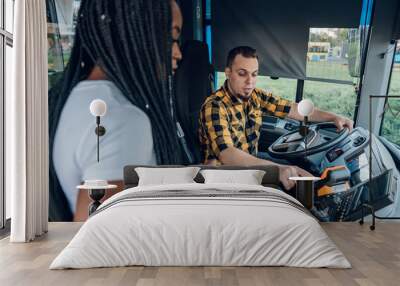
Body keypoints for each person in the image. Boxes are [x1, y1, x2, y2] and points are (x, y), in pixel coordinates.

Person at [49, 0, 184, 221]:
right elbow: (99, 240)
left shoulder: (81, 97)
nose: (178, 53)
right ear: (131, 32)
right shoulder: (122, 119)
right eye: (171, 38)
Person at [199, 46, 354, 190]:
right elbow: (228, 155)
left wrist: (333, 117)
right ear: (228, 73)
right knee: (289, 180)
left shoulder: (255, 96)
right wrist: (277, 170)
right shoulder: (214, 106)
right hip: (224, 176)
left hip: (249, 164)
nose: (250, 81)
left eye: (254, 74)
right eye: (242, 73)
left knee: (304, 172)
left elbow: (294, 109)